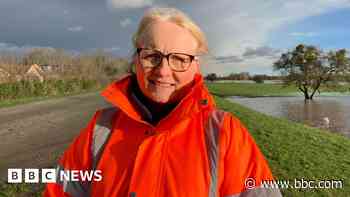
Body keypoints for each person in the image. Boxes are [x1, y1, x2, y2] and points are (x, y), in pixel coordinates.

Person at [44, 7, 282, 197]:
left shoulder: (224, 133)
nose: (163, 71)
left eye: (179, 59)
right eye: (152, 56)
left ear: (195, 67)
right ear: (136, 59)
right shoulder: (100, 128)